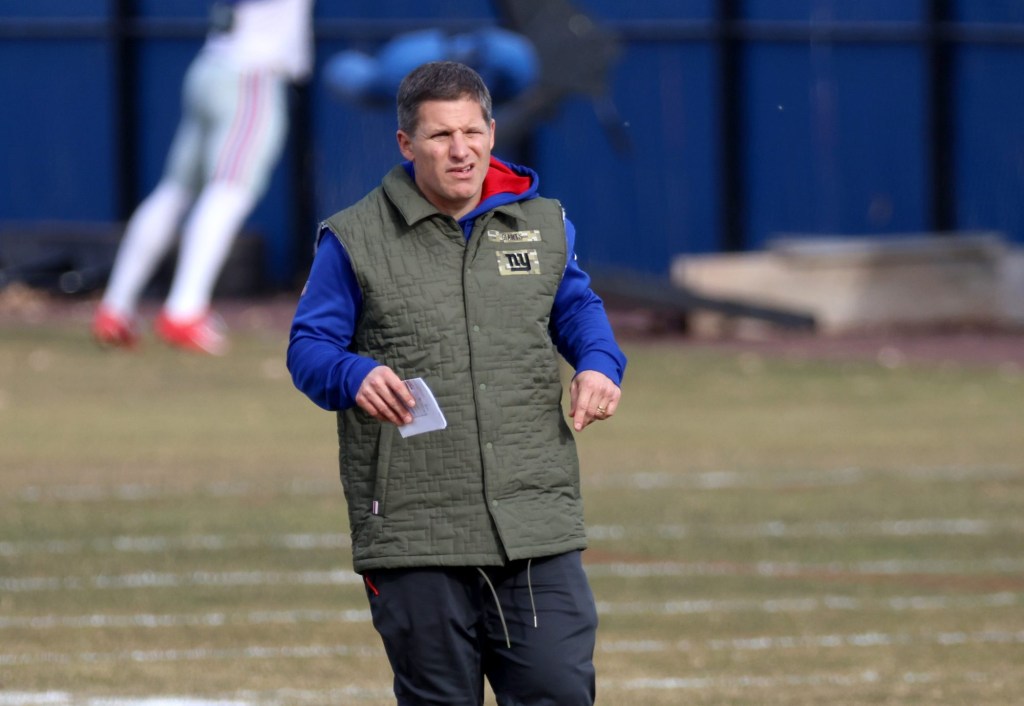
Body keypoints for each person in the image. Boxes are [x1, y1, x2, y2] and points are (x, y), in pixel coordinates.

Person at [287, 61, 626, 706]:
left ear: (493, 133)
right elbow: (308, 349)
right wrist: (353, 373)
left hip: (534, 524)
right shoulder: (353, 238)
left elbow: (578, 310)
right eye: (441, 136)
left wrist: (598, 365)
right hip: (415, 530)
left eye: (472, 131)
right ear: (405, 143)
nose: (461, 149)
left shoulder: (544, 224)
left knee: (559, 689)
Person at [92, 0, 315, 355]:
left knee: (175, 190)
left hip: (211, 65)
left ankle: (115, 309)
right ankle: (185, 309)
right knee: (230, 191)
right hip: (251, 72)